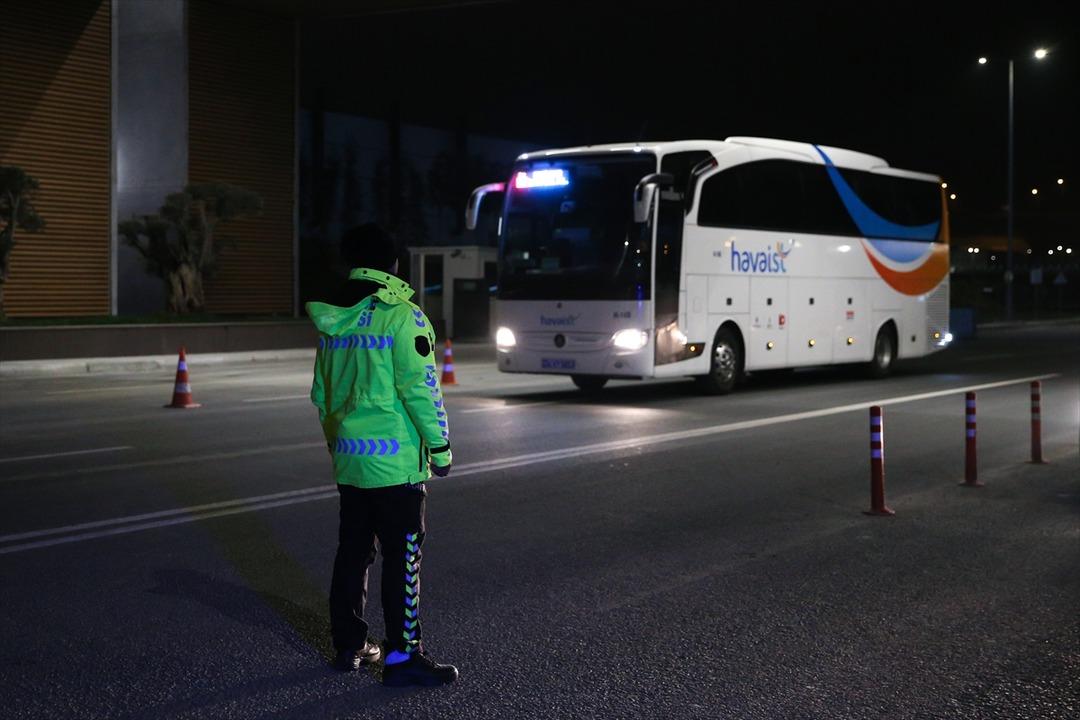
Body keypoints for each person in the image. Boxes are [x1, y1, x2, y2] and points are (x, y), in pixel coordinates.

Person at [306, 223, 457, 687]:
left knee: (352, 553)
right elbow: (421, 391)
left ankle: (349, 647)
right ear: (393, 266)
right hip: (395, 468)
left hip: (351, 462)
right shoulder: (403, 317)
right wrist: (440, 447)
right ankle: (402, 658)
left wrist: (339, 447)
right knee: (403, 557)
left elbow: (323, 396)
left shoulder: (334, 320)